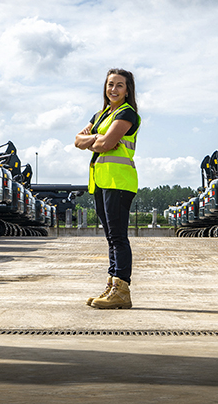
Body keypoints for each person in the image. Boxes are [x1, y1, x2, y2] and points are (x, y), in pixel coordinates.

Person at [74, 68, 140, 309]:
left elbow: (108, 143)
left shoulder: (127, 114)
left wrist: (93, 140)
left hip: (119, 182)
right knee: (111, 238)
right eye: (110, 84)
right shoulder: (102, 114)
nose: (113, 89)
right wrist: (96, 140)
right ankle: (113, 285)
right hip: (102, 182)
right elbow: (77, 140)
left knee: (118, 237)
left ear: (127, 90)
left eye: (119, 85)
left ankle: (122, 289)